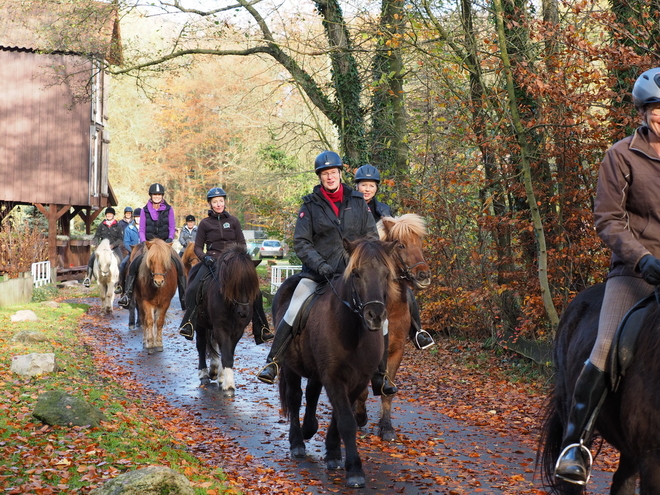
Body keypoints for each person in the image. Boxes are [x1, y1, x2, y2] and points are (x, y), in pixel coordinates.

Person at [554, 67, 660, 484]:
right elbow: (608, 220)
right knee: (604, 346)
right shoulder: (621, 155)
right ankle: (575, 445)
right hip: (635, 271)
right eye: (655, 109)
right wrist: (642, 260)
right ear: (643, 110)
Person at [256, 151, 397, 397]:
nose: (330, 177)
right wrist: (320, 265)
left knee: (380, 315)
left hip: (353, 275)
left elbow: (371, 238)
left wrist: (364, 264)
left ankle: (380, 374)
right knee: (295, 305)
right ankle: (274, 361)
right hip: (318, 273)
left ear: (340, 174)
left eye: (333, 173)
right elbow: (301, 242)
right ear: (320, 177)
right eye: (325, 174)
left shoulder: (357, 201)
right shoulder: (310, 205)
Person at [355, 164, 435, 351]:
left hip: (382, 261)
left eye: (371, 186)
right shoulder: (349, 206)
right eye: (364, 185)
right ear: (357, 186)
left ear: (376, 188)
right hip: (360, 259)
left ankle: (418, 331)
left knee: (405, 291)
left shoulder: (384, 210)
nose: (367, 189)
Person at [178, 187, 273, 344]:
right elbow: (197, 247)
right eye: (215, 202)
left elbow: (241, 243)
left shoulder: (233, 221)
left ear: (224, 202)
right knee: (195, 285)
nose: (218, 204)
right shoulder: (204, 223)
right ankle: (188, 323)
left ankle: (262, 328)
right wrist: (204, 258)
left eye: (221, 201)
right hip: (212, 261)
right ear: (210, 204)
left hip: (233, 263)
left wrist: (242, 260)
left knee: (255, 291)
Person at [117, 184, 186, 310]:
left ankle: (184, 296)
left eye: (159, 195)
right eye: (155, 194)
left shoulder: (169, 209)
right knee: (134, 263)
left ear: (162, 196)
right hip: (149, 244)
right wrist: (144, 242)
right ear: (151, 196)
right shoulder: (144, 210)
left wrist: (169, 240)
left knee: (179, 264)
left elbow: (171, 227)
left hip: (165, 244)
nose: (157, 197)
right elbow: (142, 228)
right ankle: (127, 294)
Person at [83, 207, 124, 287]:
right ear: (106, 215)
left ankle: (120, 282)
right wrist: (98, 245)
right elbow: (96, 237)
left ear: (113, 215)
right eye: (107, 214)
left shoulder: (118, 226)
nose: (109, 215)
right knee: (92, 258)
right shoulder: (102, 225)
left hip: (113, 247)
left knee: (121, 261)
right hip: (102, 248)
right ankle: (88, 277)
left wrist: (113, 245)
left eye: (110, 214)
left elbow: (120, 239)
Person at [115, 207, 141, 294]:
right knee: (122, 265)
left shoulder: (146, 228)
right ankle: (120, 286)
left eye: (139, 217)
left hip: (144, 253)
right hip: (132, 252)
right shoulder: (128, 228)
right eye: (136, 217)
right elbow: (126, 242)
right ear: (134, 217)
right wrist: (133, 251)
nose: (138, 219)